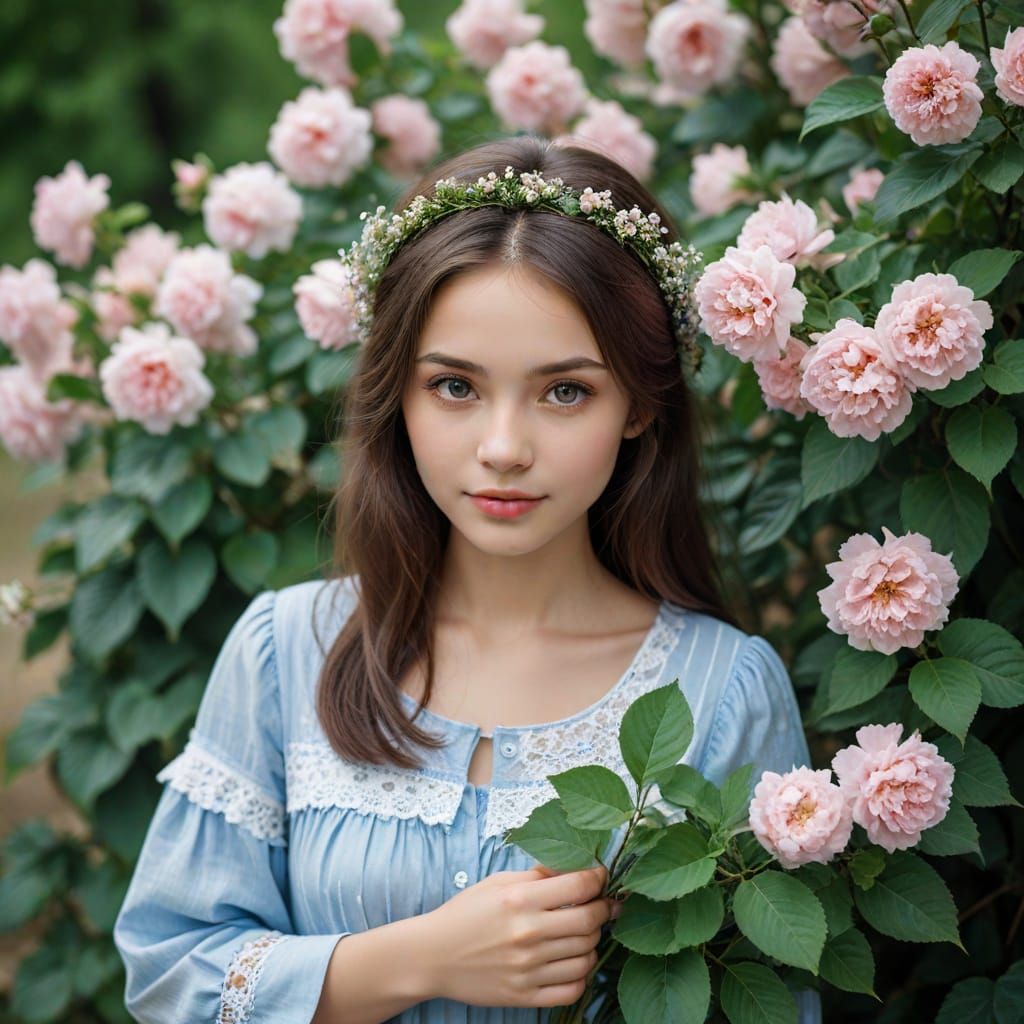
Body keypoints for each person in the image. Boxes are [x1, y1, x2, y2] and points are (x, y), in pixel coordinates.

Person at [113, 135, 821, 1024]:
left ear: (641, 404)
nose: (503, 448)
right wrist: (419, 960)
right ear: (397, 393)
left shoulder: (722, 690)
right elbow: (172, 973)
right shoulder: (283, 650)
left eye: (565, 392)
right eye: (454, 387)